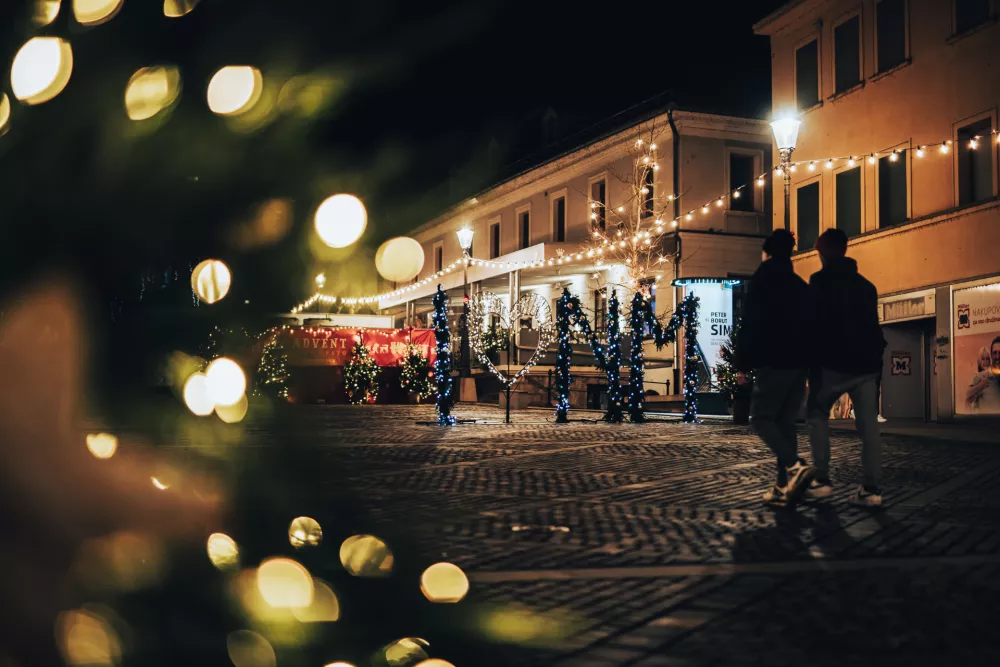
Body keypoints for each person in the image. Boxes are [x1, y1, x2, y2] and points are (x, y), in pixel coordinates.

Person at [805, 229, 887, 507]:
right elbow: (873, 330)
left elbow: (812, 326)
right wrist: (876, 365)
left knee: (817, 418)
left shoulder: (818, 282)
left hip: (830, 365)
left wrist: (810, 363)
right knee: (868, 427)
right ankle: (872, 489)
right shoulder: (867, 286)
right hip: (864, 366)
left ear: (824, 252)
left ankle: (823, 481)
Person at [735, 229, 814, 506]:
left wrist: (742, 365)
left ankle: (794, 466)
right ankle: (784, 487)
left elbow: (751, 323)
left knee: (761, 417)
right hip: (799, 362)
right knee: (785, 423)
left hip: (774, 359)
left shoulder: (761, 281)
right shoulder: (798, 283)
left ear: (766, 253)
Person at [966, 341, 1000, 411]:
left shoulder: (992, 374)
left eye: (987, 359)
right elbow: (968, 397)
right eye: (983, 359)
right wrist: (982, 385)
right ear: (979, 361)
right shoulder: (977, 376)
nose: (985, 362)